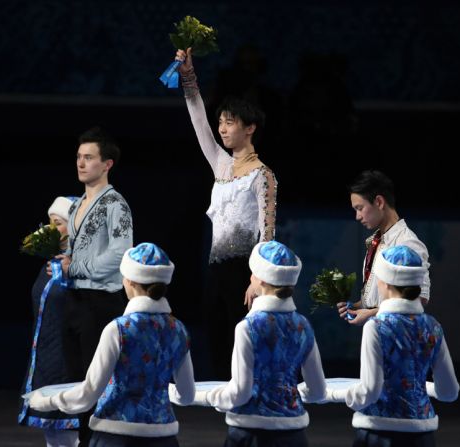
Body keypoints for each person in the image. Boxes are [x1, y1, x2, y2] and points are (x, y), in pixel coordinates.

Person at [175, 47, 278, 379]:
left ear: (249, 128)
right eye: (220, 122)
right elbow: (197, 120)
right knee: (217, 342)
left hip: (245, 272)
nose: (221, 128)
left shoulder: (263, 175)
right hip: (216, 268)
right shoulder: (221, 163)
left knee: (242, 346)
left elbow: (267, 232)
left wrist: (258, 279)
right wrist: (188, 75)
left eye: (229, 122)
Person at [30, 243, 196, 447]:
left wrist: (47, 401)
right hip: (165, 438)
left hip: (116, 436)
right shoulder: (178, 330)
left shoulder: (118, 329)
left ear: (131, 281)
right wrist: (156, 387)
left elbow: (88, 394)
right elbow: (187, 395)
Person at [193, 241, 327, 447]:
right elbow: (318, 391)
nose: (250, 278)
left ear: (262, 281)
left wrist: (206, 396)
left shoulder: (248, 327)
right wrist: (285, 393)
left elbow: (240, 393)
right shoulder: (303, 326)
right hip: (294, 435)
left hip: (250, 434)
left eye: (253, 274)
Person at [50, 126, 134, 445]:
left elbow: (120, 253)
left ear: (107, 164)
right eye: (78, 157)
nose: (81, 163)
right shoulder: (75, 206)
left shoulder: (116, 204)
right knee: (75, 379)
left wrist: (77, 266)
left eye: (89, 158)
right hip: (75, 299)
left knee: (95, 379)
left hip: (101, 302)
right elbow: (73, 249)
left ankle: (99, 440)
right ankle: (84, 440)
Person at [327, 245, 459, 447]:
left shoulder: (376, 326)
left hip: (379, 433)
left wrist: (332, 393)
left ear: (386, 283)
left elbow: (370, 392)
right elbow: (449, 392)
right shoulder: (433, 327)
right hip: (422, 437)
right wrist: (415, 385)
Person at [18, 196, 80, 447]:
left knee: (70, 431)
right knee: (53, 434)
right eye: (50, 223)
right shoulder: (50, 265)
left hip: (68, 360)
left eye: (58, 223)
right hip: (46, 357)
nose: (50, 229)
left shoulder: (81, 268)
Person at [338, 170, 431, 326]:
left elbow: (420, 300)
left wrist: (371, 314)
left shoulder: (407, 243)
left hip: (398, 335)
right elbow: (382, 299)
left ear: (379, 202)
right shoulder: (376, 241)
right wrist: (357, 307)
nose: (357, 216)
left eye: (360, 208)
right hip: (378, 330)